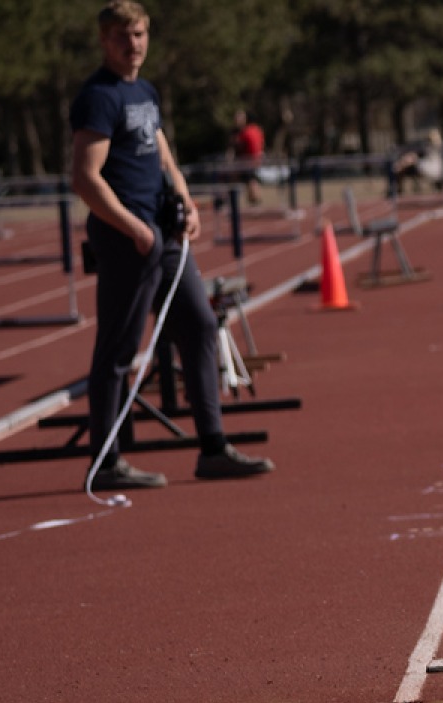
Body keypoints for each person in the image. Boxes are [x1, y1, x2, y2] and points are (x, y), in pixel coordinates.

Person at [70, 0, 273, 490]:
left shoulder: (144, 91)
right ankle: (108, 459)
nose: (133, 44)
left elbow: (164, 157)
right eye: (123, 36)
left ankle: (212, 447)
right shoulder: (98, 97)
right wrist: (134, 229)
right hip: (129, 241)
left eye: (139, 34)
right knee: (118, 349)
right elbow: (84, 177)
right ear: (105, 40)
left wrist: (187, 202)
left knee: (200, 326)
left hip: (164, 237)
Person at [230, 109, 265, 206]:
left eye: (240, 118)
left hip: (249, 161)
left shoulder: (249, 131)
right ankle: (237, 201)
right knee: (246, 181)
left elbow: (256, 146)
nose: (237, 120)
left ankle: (255, 200)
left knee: (251, 180)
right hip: (242, 162)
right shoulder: (236, 132)